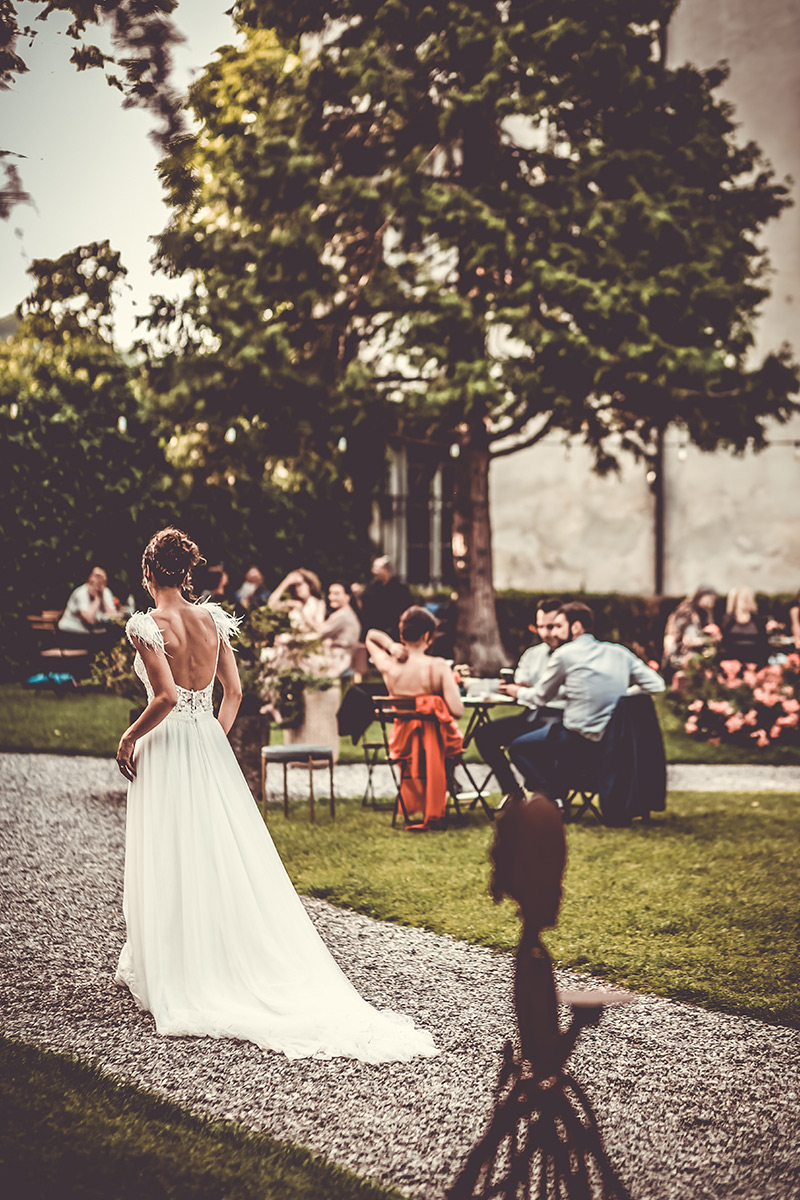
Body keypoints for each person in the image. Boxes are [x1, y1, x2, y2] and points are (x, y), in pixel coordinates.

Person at [115, 527, 438, 1063]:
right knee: (218, 850)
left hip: (167, 744)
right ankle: (213, 952)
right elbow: (234, 693)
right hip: (207, 743)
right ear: (187, 573)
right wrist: (212, 738)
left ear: (149, 573)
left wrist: (130, 736)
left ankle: (179, 963)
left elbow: (167, 696)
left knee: (169, 846)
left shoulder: (145, 625)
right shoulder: (212, 620)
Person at [509, 601, 665, 802]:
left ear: (575, 627)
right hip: (613, 739)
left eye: (558, 626)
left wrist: (517, 691)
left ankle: (552, 797)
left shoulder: (564, 654)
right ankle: (556, 794)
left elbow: (540, 696)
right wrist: (622, 698)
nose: (554, 633)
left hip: (576, 738)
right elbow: (657, 684)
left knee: (519, 747)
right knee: (546, 735)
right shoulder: (618, 652)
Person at [366, 606, 463, 830]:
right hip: (435, 744)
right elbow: (457, 710)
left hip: (404, 742)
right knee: (452, 741)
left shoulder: (388, 665)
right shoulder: (438, 666)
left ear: (402, 635)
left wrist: (390, 646)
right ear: (428, 636)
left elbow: (371, 635)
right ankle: (443, 798)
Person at [473, 598, 567, 805]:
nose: (545, 633)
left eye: (551, 627)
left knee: (524, 746)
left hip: (558, 717)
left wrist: (526, 690)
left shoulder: (572, 656)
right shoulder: (533, 654)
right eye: (540, 627)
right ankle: (513, 793)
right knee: (484, 734)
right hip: (532, 714)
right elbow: (522, 682)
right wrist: (518, 688)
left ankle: (550, 797)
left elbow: (556, 692)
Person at [661, 586, 721, 677]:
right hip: (680, 653)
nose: (712, 603)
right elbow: (688, 640)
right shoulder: (688, 612)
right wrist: (709, 640)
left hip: (694, 652)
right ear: (701, 597)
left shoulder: (705, 613)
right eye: (710, 599)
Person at [360, 556, 413, 640]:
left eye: (376, 568)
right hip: (374, 633)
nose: (373, 571)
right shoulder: (371, 588)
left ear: (386, 569)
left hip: (394, 635)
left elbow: (407, 612)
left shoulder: (400, 589)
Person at [319, 581, 362, 677]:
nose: (331, 597)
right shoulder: (349, 613)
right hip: (344, 659)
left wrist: (319, 611)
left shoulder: (342, 615)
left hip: (338, 662)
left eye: (336, 594)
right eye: (330, 593)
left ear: (347, 596)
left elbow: (318, 634)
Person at [58, 566, 119, 635]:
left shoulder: (106, 592)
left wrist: (102, 599)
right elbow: (89, 620)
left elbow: (115, 617)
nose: (98, 581)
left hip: (93, 634)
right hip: (71, 632)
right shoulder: (81, 593)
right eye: (96, 577)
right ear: (90, 578)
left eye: (101, 578)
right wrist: (97, 599)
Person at [720, 588, 769, 667]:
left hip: (754, 664)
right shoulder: (728, 620)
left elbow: (764, 646)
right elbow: (724, 645)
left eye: (745, 599)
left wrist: (758, 667)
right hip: (733, 665)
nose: (743, 603)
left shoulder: (757, 620)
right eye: (740, 599)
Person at [268, 568, 326, 635]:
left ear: (309, 584)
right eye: (294, 586)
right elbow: (271, 604)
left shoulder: (319, 604)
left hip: (312, 640)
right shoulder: (294, 603)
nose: (297, 588)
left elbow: (318, 628)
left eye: (299, 584)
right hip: (295, 640)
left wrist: (302, 612)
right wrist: (286, 582)